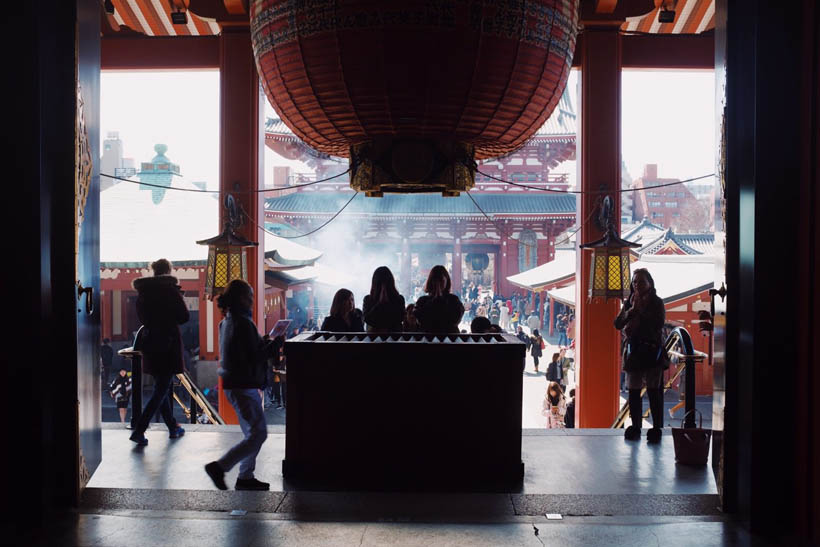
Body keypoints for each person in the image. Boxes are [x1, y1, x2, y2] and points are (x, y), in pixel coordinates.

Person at [205, 279, 273, 491]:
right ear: (241, 298)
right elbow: (252, 356)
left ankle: (245, 476)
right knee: (258, 433)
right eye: (249, 295)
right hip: (243, 383)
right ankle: (220, 466)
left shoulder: (227, 321)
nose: (252, 299)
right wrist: (272, 347)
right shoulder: (243, 323)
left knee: (252, 433)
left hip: (233, 382)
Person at [129, 258, 188, 446]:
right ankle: (140, 429)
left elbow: (142, 317)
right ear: (169, 271)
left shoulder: (143, 293)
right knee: (161, 389)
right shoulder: (170, 291)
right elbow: (184, 317)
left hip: (150, 342)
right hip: (168, 343)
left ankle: (172, 427)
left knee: (160, 387)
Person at [614, 268, 667, 443]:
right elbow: (618, 323)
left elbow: (658, 323)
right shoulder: (629, 302)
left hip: (651, 349)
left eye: (641, 282)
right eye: (635, 282)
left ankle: (656, 427)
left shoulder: (657, 302)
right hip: (634, 350)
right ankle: (635, 426)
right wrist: (630, 310)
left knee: (654, 391)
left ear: (650, 283)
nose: (637, 285)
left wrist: (639, 311)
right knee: (634, 391)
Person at [413, 265, 464, 333]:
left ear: (447, 280)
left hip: (449, 339)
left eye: (441, 280)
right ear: (431, 282)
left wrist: (438, 297)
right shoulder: (422, 301)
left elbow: (454, 321)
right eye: (436, 280)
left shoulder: (454, 300)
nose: (438, 284)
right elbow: (421, 320)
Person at [362, 266, 405, 332]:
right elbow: (367, 319)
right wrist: (380, 303)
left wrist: (383, 303)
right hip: (383, 338)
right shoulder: (368, 299)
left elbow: (400, 318)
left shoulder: (399, 299)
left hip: (390, 338)